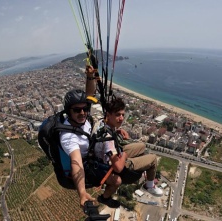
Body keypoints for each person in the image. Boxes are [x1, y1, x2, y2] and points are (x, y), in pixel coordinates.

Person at [59, 66, 121, 209]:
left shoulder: (82, 119)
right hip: (87, 165)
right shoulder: (68, 135)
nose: (82, 113)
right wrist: (82, 193)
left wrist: (90, 76)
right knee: (117, 180)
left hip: (94, 151)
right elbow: (76, 162)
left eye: (85, 109)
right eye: (77, 110)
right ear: (69, 112)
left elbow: (89, 95)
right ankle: (105, 198)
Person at [94, 97, 163, 198]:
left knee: (142, 146)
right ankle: (149, 186)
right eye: (117, 115)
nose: (121, 118)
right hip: (111, 165)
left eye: (122, 115)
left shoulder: (101, 123)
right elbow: (118, 168)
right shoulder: (108, 140)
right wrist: (125, 156)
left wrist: (117, 130)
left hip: (109, 155)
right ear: (108, 115)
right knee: (153, 159)